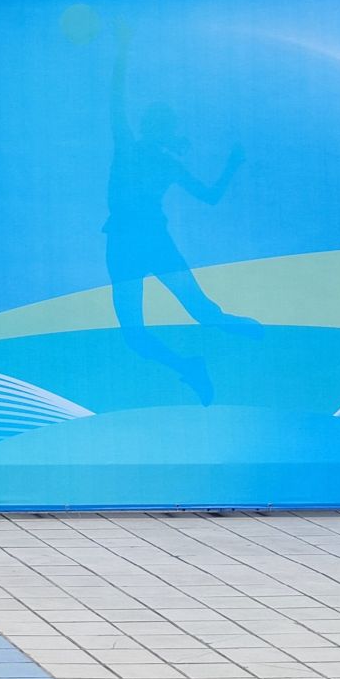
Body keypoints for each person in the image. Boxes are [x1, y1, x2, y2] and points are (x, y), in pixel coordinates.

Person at [105, 24, 259, 405]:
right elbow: (210, 197)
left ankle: (203, 358)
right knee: (183, 318)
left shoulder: (140, 152)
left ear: (150, 128)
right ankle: (194, 365)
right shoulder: (154, 157)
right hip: (138, 240)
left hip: (132, 241)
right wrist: (232, 164)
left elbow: (115, 99)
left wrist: (123, 48)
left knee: (147, 331)